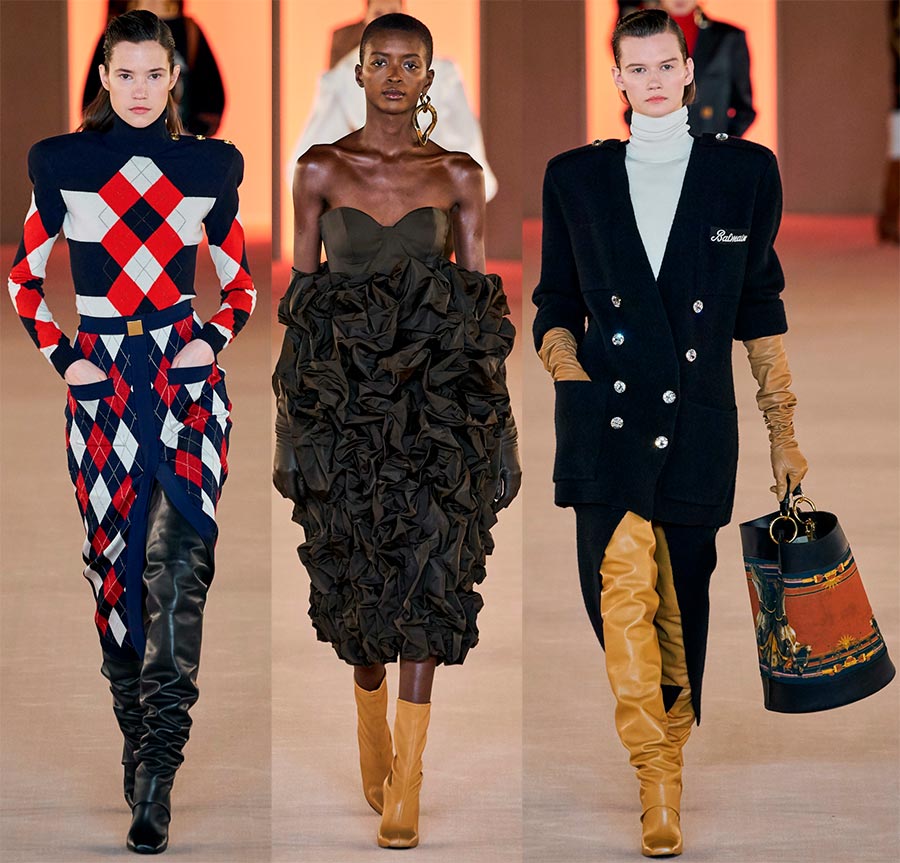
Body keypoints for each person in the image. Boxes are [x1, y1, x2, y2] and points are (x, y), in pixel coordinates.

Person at [532, 9, 806, 858]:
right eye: (636, 68)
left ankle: (665, 770)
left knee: (682, 609)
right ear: (616, 78)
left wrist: (782, 429)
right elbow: (554, 303)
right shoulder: (575, 177)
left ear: (690, 71)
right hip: (605, 425)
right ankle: (654, 774)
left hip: (697, 426)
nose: (652, 81)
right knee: (617, 601)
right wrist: (569, 373)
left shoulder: (744, 174)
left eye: (665, 65)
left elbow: (758, 305)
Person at [8, 10, 255, 855]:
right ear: (104, 78)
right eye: (126, 74)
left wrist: (208, 340)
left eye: (156, 74)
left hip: (188, 391)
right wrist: (64, 357)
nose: (141, 89)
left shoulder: (210, 166)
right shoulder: (61, 162)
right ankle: (135, 731)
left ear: (175, 78)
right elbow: (25, 278)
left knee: (180, 569)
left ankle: (158, 773)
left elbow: (240, 285)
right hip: (103, 387)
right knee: (116, 578)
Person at [272, 12, 519, 850]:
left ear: (429, 78)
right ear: (358, 70)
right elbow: (303, 308)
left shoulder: (458, 175)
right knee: (355, 584)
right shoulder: (318, 170)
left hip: (438, 407)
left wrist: (500, 431)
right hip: (343, 408)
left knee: (428, 574)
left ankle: (406, 780)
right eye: (379, 61)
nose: (393, 76)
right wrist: (291, 430)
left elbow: (480, 310)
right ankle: (370, 727)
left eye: (410, 64)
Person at [289, 0, 498, 201]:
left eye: (410, 66)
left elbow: (464, 139)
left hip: (430, 185)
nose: (394, 77)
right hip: (362, 184)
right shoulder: (341, 76)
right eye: (379, 13)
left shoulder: (445, 74)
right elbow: (320, 140)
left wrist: (436, 170)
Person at [83, 1, 226, 136]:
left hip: (179, 142)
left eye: (155, 76)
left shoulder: (189, 32)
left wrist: (186, 136)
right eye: (126, 76)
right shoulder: (114, 33)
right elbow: (91, 103)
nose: (140, 93)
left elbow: (212, 102)